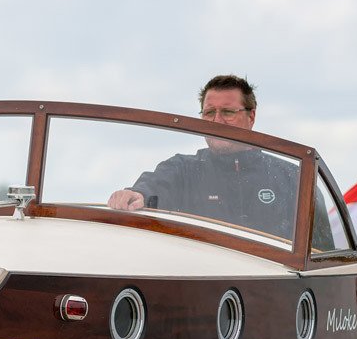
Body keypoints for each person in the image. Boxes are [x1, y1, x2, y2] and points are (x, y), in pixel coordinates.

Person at [108, 75, 311, 243]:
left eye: (228, 112)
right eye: (209, 113)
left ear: (251, 117)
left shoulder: (291, 178)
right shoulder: (183, 170)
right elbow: (153, 187)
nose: (217, 121)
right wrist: (135, 195)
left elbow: (319, 250)